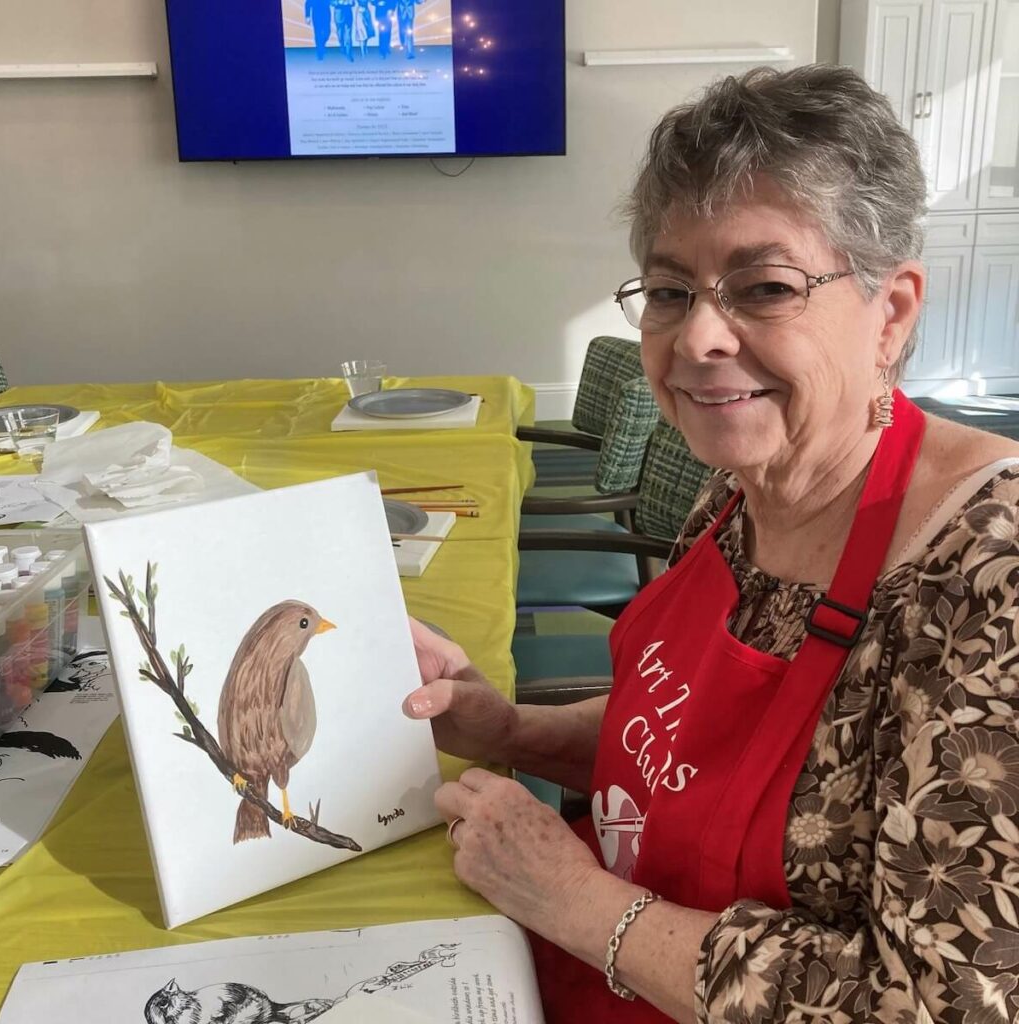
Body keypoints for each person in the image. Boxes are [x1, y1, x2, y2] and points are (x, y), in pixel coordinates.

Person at [403, 64, 1019, 1023]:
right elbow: (678, 742)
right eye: (668, 291)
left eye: (764, 286)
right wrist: (512, 732)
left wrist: (571, 897)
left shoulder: (990, 573)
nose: (697, 339)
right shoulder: (734, 496)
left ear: (890, 312)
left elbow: (939, 1003)